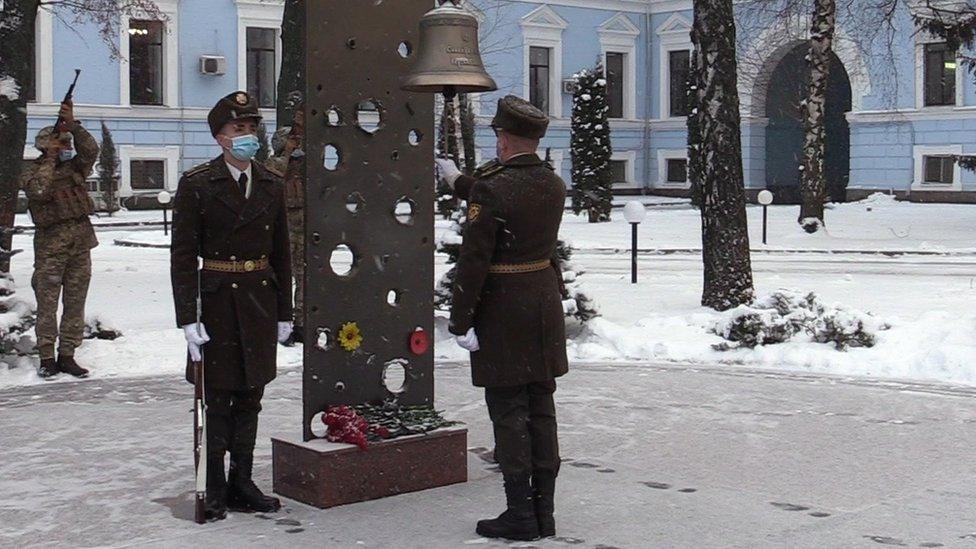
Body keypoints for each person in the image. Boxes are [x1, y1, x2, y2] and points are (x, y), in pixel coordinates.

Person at [435, 95, 569, 541]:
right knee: (540, 407)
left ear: (504, 138)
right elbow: (505, 196)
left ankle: (519, 514)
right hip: (542, 305)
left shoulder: (493, 186)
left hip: (504, 311)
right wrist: (459, 182)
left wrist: (460, 319)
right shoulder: (551, 183)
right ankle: (544, 513)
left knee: (509, 412)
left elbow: (474, 260)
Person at [170, 91, 293, 521]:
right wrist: (188, 319)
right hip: (218, 304)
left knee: (251, 396)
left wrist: (284, 311)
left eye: (251, 128)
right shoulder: (198, 185)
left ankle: (244, 480)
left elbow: (282, 253)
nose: (249, 136)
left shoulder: (271, 183)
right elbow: (183, 258)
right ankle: (217, 484)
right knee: (218, 399)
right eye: (239, 129)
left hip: (258, 299)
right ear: (220, 137)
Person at [20, 100, 98, 379]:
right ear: (44, 146)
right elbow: (39, 191)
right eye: (58, 145)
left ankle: (68, 354)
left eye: (66, 145)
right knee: (48, 303)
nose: (65, 149)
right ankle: (46, 356)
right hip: (51, 247)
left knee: (75, 302)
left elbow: (92, 150)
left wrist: (73, 126)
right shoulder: (32, 171)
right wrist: (50, 160)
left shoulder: (76, 167)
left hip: (80, 243)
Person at [267, 104, 305, 345]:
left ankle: (301, 324)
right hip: (284, 230)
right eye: (291, 140)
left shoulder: (304, 165)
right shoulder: (273, 163)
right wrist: (287, 153)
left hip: (305, 229)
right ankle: (283, 323)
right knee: (282, 278)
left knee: (305, 279)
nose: (296, 144)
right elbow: (272, 179)